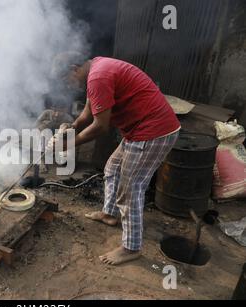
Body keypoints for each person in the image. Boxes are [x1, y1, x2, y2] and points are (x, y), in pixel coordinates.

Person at [54, 56, 181, 266]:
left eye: (66, 80)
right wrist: (72, 127)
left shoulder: (98, 76)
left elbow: (100, 126)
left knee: (131, 188)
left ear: (74, 68)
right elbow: (89, 110)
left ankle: (131, 248)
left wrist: (68, 145)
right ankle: (109, 214)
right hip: (138, 130)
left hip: (153, 132)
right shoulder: (96, 70)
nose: (68, 85)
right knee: (112, 168)